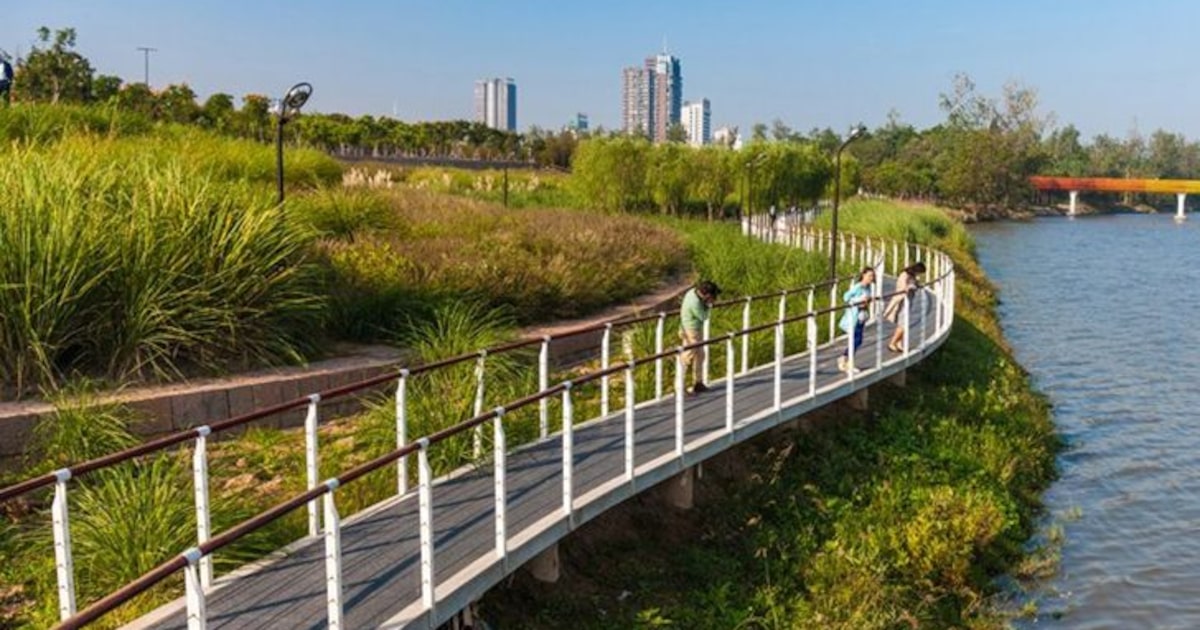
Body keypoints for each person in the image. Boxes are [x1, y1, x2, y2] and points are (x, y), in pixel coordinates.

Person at [679, 280, 720, 394]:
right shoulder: (695, 303)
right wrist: (708, 306)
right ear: (707, 294)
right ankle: (679, 386)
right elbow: (703, 316)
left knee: (700, 355)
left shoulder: (693, 292)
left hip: (694, 328)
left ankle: (698, 382)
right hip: (690, 330)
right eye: (713, 296)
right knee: (688, 356)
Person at [837, 267, 876, 373]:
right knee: (855, 339)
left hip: (861, 317)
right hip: (854, 317)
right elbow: (846, 297)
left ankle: (845, 359)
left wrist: (869, 300)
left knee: (858, 340)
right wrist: (860, 300)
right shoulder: (858, 287)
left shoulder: (868, 287)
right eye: (869, 276)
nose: (871, 278)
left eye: (872, 276)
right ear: (863, 275)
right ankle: (847, 361)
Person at [883, 261, 926, 352]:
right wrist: (912, 286)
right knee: (903, 324)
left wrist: (917, 285)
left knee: (904, 323)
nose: (919, 274)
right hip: (902, 301)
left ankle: (899, 343)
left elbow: (915, 285)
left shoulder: (912, 276)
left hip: (908, 301)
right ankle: (892, 343)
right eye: (920, 272)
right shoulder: (904, 275)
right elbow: (903, 288)